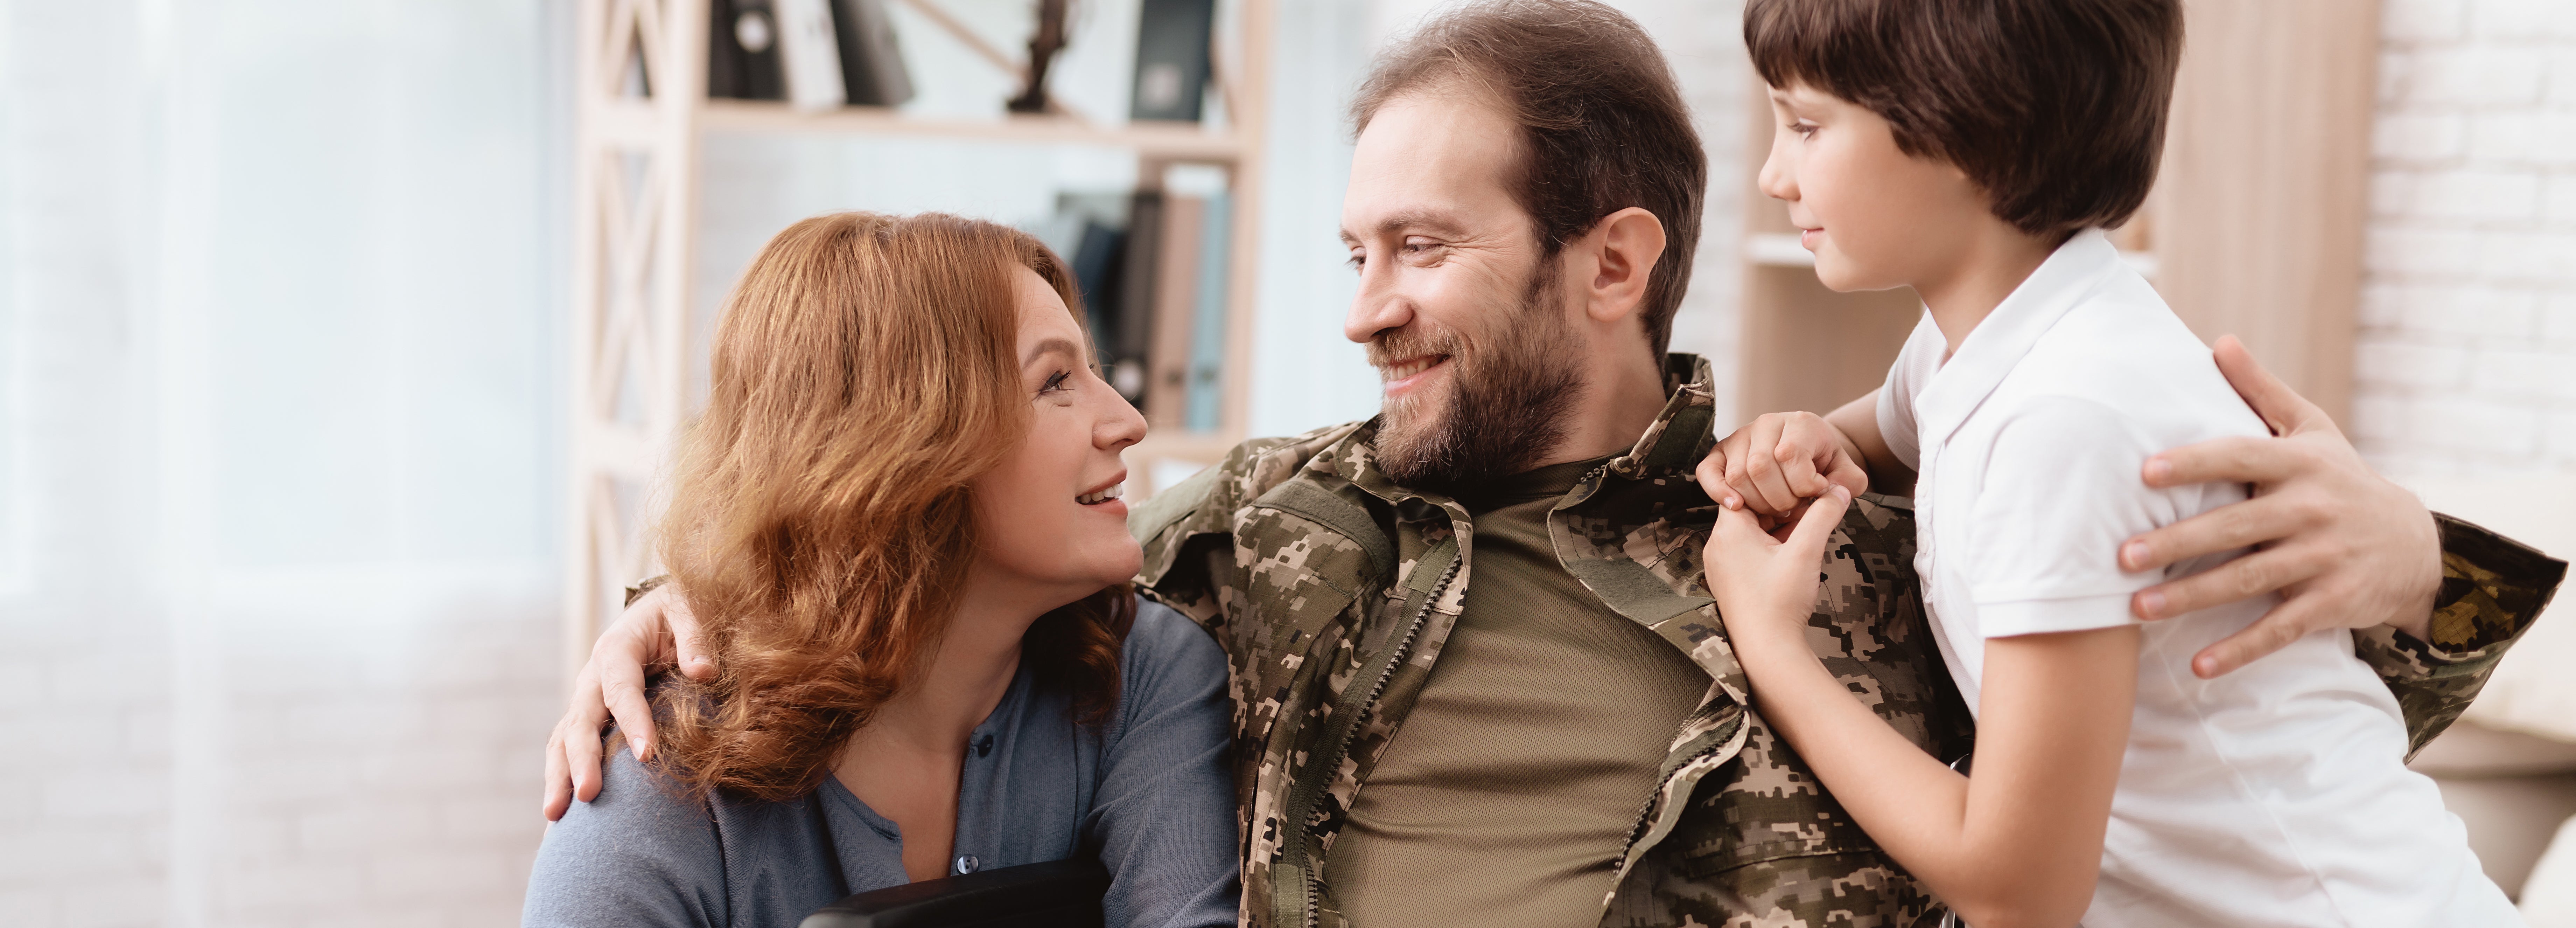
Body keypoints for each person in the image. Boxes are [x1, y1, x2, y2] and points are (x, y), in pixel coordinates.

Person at [545, 4, 2564, 926]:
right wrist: (673, 611)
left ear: (1615, 267)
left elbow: (2230, 752)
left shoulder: (1838, 544)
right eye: (1350, 253)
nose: (1362, 313)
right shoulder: (1255, 528)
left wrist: (2403, 552)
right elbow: (917, 532)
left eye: (1419, 251)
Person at [1698, 1, 2559, 925]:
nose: (1774, 174)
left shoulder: (2065, 421)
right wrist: (1798, 439)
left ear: (1966, 128)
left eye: (1806, 126)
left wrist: (1774, 649)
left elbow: (2017, 892)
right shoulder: (2001, 339)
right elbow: (1886, 431)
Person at [520, 212, 1238, 928]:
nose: (1126, 420)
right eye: (1054, 381)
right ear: (896, 446)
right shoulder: (668, 779)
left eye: (1093, 371)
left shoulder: (1145, 671)